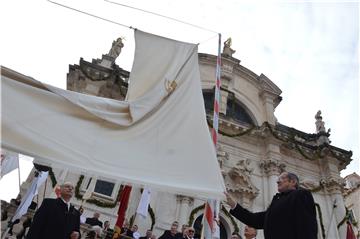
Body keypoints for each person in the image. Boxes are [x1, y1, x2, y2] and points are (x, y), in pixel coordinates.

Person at [225, 172, 317, 239]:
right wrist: (233, 204)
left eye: (282, 178)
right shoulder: (275, 205)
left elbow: (307, 227)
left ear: (293, 182)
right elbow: (253, 219)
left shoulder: (301, 195)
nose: (277, 181)